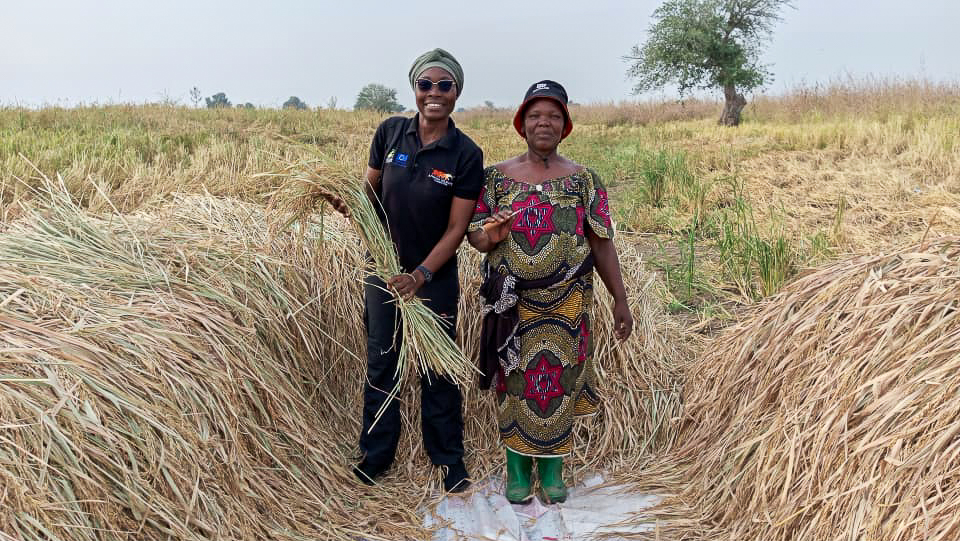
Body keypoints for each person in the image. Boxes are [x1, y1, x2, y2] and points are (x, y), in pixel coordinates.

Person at [466, 80, 633, 504]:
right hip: (513, 307)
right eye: (536, 115)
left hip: (569, 305)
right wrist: (490, 233)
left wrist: (621, 298)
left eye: (554, 116)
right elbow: (476, 238)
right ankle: (518, 472)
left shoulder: (584, 181)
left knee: (560, 382)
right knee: (516, 384)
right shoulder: (495, 178)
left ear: (566, 125)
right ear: (522, 124)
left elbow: (601, 243)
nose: (545, 123)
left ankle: (554, 472)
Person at [332, 48, 483, 493]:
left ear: (456, 92)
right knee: (383, 364)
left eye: (444, 86)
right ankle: (376, 456)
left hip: (432, 280)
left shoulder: (465, 153)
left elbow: (457, 228)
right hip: (382, 271)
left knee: (438, 368)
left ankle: (449, 460)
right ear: (415, 89)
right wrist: (350, 208)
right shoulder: (390, 133)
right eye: (425, 85)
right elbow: (369, 195)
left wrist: (419, 275)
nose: (434, 94)